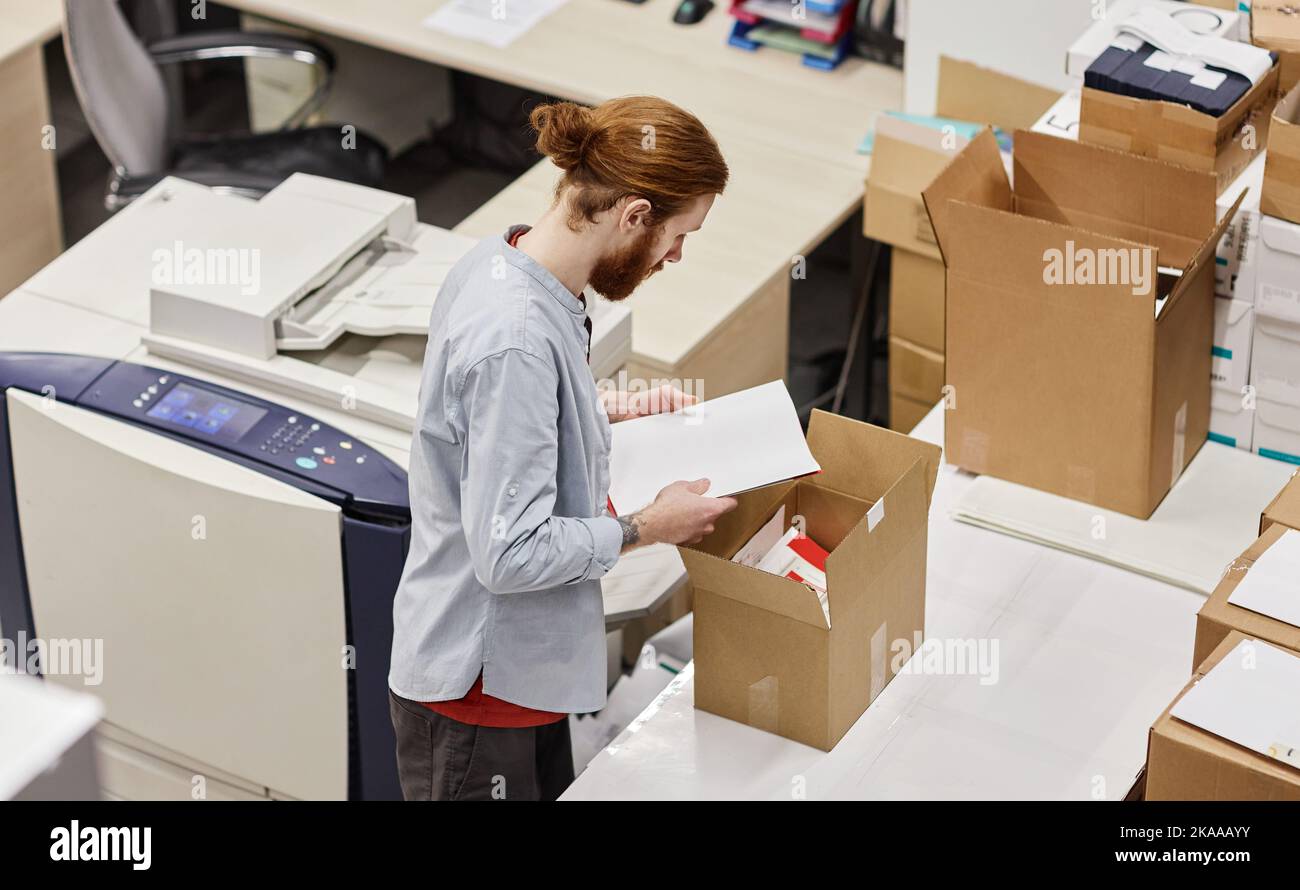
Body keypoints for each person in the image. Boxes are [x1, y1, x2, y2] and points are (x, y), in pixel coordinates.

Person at [387, 96, 737, 801]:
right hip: (478, 699)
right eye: (678, 235)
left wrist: (606, 411)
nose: (675, 256)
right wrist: (648, 528)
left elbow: (503, 422)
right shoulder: (514, 336)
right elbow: (510, 554)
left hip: (522, 679)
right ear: (633, 213)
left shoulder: (509, 260)